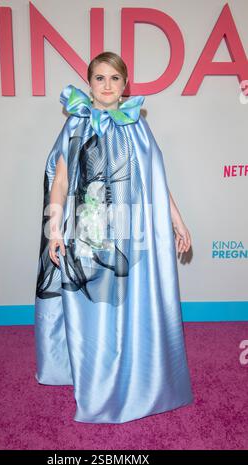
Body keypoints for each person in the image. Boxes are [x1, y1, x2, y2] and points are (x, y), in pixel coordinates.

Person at [34, 51, 194, 424]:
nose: (107, 86)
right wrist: (54, 230)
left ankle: (139, 381)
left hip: (131, 233)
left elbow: (157, 182)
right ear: (89, 84)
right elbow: (59, 181)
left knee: (128, 305)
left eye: (114, 79)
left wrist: (177, 221)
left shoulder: (137, 126)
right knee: (93, 309)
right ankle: (95, 384)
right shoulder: (74, 125)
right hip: (86, 232)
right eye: (99, 78)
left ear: (126, 85)